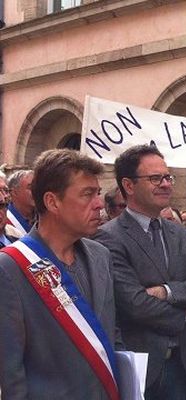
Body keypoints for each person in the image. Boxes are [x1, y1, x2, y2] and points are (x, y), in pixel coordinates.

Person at [95, 144, 186, 400]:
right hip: (142, 370)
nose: (166, 184)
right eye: (155, 178)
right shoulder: (108, 238)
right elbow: (135, 304)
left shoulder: (180, 234)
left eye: (168, 177)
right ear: (129, 186)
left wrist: (168, 291)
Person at [0, 149, 119, 399]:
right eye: (87, 194)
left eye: (97, 193)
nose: (99, 204)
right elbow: (10, 373)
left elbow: (108, 332)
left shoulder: (100, 256)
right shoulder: (10, 268)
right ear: (53, 202)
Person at [6, 169, 35, 236]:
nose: (36, 191)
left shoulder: (43, 217)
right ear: (14, 192)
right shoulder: (4, 220)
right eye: (30, 188)